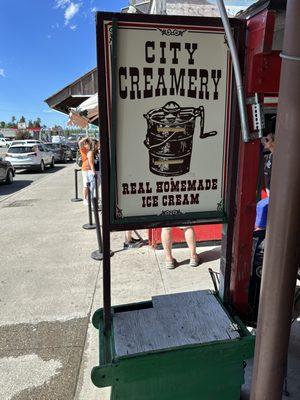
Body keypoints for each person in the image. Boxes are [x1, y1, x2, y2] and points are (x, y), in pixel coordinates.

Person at [78, 137, 92, 206]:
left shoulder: (91, 150)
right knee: (86, 185)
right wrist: (86, 138)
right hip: (85, 169)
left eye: (88, 143)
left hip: (91, 169)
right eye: (86, 143)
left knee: (92, 185)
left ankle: (91, 199)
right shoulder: (83, 150)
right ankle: (85, 199)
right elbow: (80, 143)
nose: (87, 145)